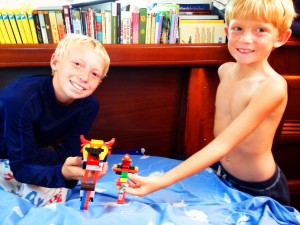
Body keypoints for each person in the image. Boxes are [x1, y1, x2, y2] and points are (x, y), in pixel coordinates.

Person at [126, 0, 296, 206]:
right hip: (222, 172)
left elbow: (223, 144)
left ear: (281, 37)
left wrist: (162, 181)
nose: (245, 38)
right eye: (238, 28)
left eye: (260, 30)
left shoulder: (272, 87)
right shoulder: (225, 71)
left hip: (257, 187)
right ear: (227, 30)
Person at [0, 34, 110, 206]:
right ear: (55, 62)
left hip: (34, 151)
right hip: (8, 153)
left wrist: (79, 167)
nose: (84, 77)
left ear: (99, 82)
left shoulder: (89, 106)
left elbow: (69, 155)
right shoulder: (21, 96)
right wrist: (63, 173)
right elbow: (21, 166)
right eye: (77, 64)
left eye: (94, 74)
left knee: (58, 186)